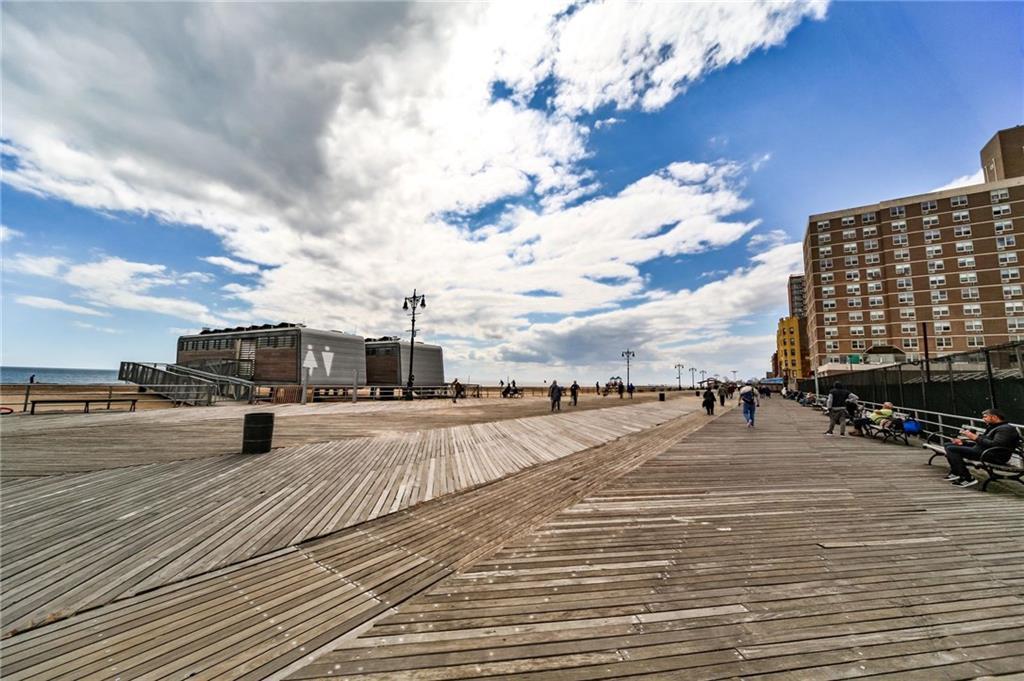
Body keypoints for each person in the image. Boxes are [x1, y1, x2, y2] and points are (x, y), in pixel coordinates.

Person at [944, 408, 1021, 488]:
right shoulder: (993, 427)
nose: (983, 419)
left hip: (994, 456)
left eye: (985, 417)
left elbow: (996, 445)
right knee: (948, 445)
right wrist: (964, 443)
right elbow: (983, 443)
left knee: (951, 449)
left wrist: (975, 438)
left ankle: (967, 478)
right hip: (985, 451)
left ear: (994, 417)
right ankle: (956, 472)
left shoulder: (1006, 429)